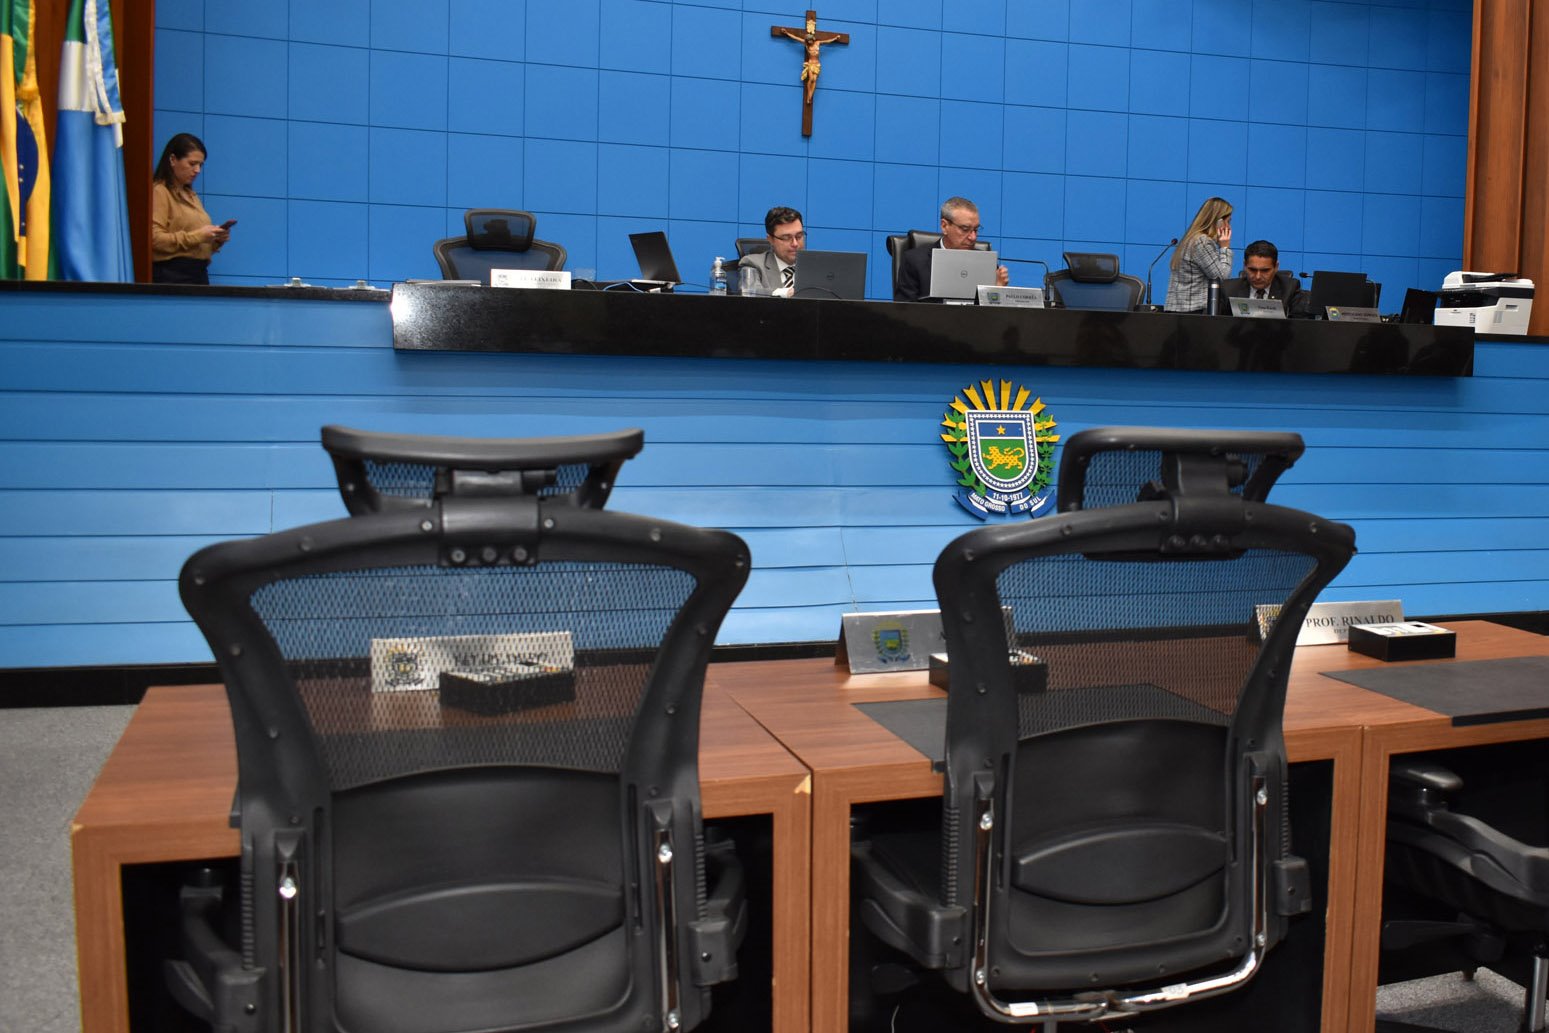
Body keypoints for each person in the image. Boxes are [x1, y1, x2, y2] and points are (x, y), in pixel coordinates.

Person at [894, 197, 1009, 303]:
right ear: (944, 226)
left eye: (976, 230)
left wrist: (997, 290)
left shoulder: (986, 264)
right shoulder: (914, 261)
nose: (973, 237)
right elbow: (904, 311)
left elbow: (995, 314)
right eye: (965, 229)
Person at [150, 133, 229, 285]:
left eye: (200, 165)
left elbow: (195, 245)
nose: (197, 170)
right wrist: (198, 236)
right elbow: (154, 240)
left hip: (198, 274)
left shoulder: (191, 195)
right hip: (172, 276)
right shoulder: (160, 191)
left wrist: (215, 240)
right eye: (192, 164)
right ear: (173, 159)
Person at [1163, 197, 1233, 313]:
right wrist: (1225, 248)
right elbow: (1221, 277)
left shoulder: (1191, 239)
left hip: (1180, 311)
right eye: (1228, 222)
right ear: (1218, 221)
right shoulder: (1202, 242)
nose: (1229, 227)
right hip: (1193, 313)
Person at [1218, 239, 1307, 317]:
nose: (1258, 276)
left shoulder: (1290, 289)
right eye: (1252, 270)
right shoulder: (1228, 289)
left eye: (1265, 271)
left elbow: (1297, 326)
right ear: (1245, 265)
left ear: (1276, 267)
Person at [739, 206, 805, 296]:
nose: (795, 243)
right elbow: (750, 292)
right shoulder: (752, 263)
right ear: (770, 239)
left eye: (799, 236)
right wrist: (786, 293)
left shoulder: (815, 267)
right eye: (786, 238)